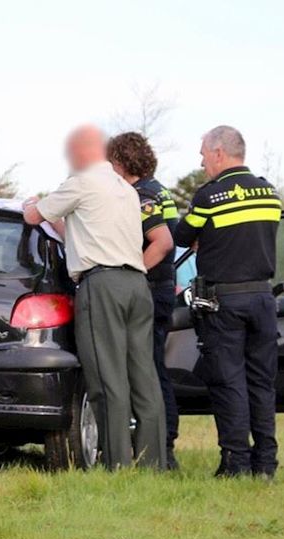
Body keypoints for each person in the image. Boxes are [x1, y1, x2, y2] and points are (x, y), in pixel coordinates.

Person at [23, 125, 167, 470]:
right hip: (137, 285)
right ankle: (153, 464)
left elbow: (34, 216)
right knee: (144, 378)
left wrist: (31, 203)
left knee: (107, 377)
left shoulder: (81, 182)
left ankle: (117, 464)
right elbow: (83, 232)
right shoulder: (126, 190)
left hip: (102, 286)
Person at [172, 125, 282, 479]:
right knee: (262, 382)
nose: (202, 163)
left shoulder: (209, 196)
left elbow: (182, 236)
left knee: (228, 381)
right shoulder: (269, 193)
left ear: (219, 153)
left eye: (203, 155)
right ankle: (265, 464)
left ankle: (236, 462)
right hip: (263, 298)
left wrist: (206, 237)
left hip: (225, 301)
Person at [106, 132, 180, 470]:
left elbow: (162, 243)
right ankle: (161, 445)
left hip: (150, 288)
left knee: (149, 371)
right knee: (152, 367)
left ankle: (162, 447)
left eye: (110, 162)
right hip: (161, 287)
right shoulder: (159, 189)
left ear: (121, 162)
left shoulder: (141, 195)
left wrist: (134, 275)